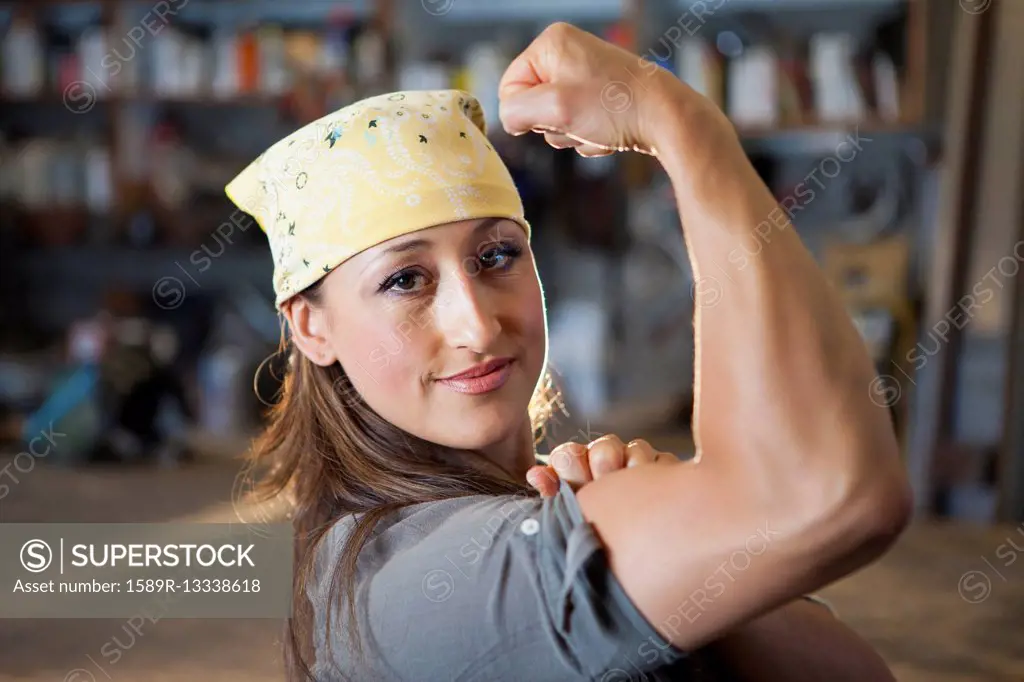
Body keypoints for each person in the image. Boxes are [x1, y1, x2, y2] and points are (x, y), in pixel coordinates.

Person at [225, 23, 911, 682]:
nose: (478, 325)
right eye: (406, 280)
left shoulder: (544, 501)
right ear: (312, 328)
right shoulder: (407, 584)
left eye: (497, 256)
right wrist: (680, 122)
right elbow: (834, 498)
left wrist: (700, 565)